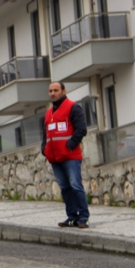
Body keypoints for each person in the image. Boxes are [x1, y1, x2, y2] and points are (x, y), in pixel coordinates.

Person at [41, 81, 90, 228]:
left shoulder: (73, 108)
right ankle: (71, 216)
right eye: (50, 91)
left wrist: (69, 146)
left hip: (70, 157)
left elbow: (81, 130)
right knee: (65, 188)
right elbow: (46, 134)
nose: (53, 93)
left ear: (63, 91)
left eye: (56, 90)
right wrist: (44, 149)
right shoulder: (49, 113)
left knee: (75, 186)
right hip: (55, 158)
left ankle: (83, 217)